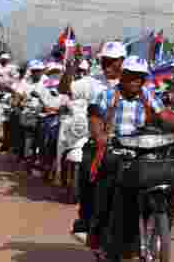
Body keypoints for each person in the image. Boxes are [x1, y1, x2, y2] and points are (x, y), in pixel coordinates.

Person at [86, 56, 174, 260]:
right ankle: (99, 234)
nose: (137, 81)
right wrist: (100, 135)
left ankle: (158, 226)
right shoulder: (106, 95)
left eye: (140, 78)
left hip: (145, 150)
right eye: (133, 77)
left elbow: (165, 116)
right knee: (107, 188)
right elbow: (95, 119)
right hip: (117, 151)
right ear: (123, 76)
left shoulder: (148, 95)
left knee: (167, 178)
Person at [61, 41, 127, 242]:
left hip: (131, 143)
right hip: (100, 143)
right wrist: (71, 66)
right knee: (88, 172)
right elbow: (65, 89)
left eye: (112, 61)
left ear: (123, 62)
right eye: (104, 61)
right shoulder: (91, 82)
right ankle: (86, 220)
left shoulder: (134, 82)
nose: (107, 65)